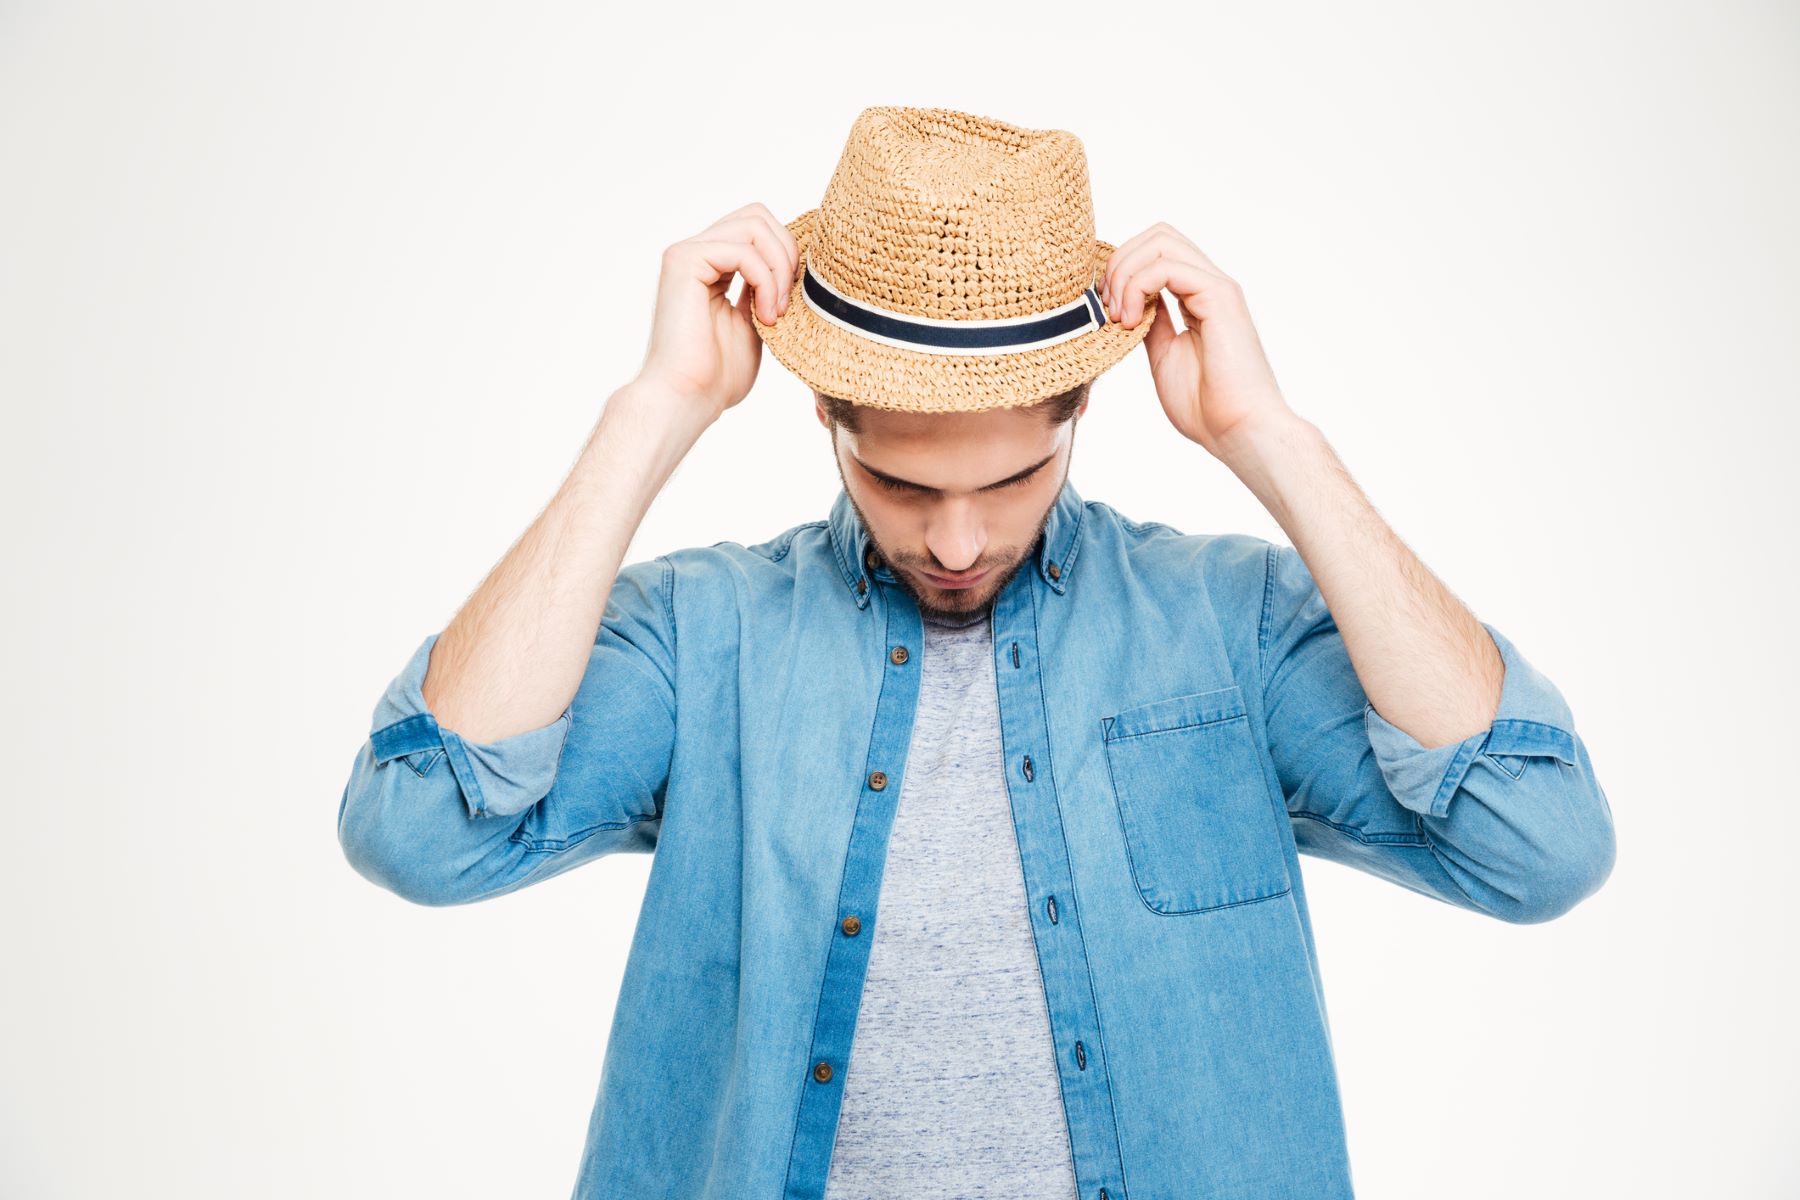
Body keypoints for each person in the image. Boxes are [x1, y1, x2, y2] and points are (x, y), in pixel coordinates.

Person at [337, 107, 1616, 1200]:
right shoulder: (709, 637)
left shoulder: (1226, 628)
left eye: (1012, 480)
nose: (956, 540)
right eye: (898, 484)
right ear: (827, 418)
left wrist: (1268, 434)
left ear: (1081, 411)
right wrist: (653, 411)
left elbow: (1537, 840)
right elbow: (422, 826)